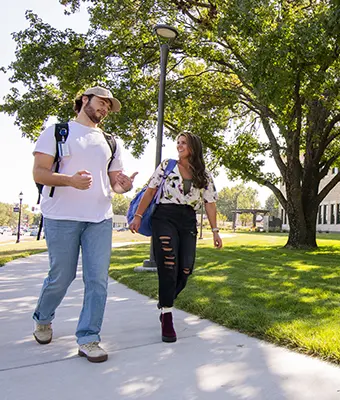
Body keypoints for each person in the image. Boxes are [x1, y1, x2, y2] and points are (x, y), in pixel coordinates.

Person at [32, 86, 137, 363]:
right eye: (102, 102)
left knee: (97, 281)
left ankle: (89, 338)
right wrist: (69, 181)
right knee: (61, 277)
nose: (105, 109)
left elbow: (114, 182)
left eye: (108, 106)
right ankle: (43, 318)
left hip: (99, 219)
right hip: (61, 216)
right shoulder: (57, 131)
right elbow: (39, 172)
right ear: (85, 100)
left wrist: (123, 186)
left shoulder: (111, 141)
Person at [129, 132, 222, 343]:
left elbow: (210, 203)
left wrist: (215, 231)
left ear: (194, 147)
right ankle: (168, 314)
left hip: (188, 220)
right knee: (168, 263)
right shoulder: (166, 166)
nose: (179, 146)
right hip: (165, 217)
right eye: (177, 143)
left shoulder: (204, 175)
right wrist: (137, 216)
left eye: (184, 143)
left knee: (186, 269)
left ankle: (165, 300)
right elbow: (151, 191)